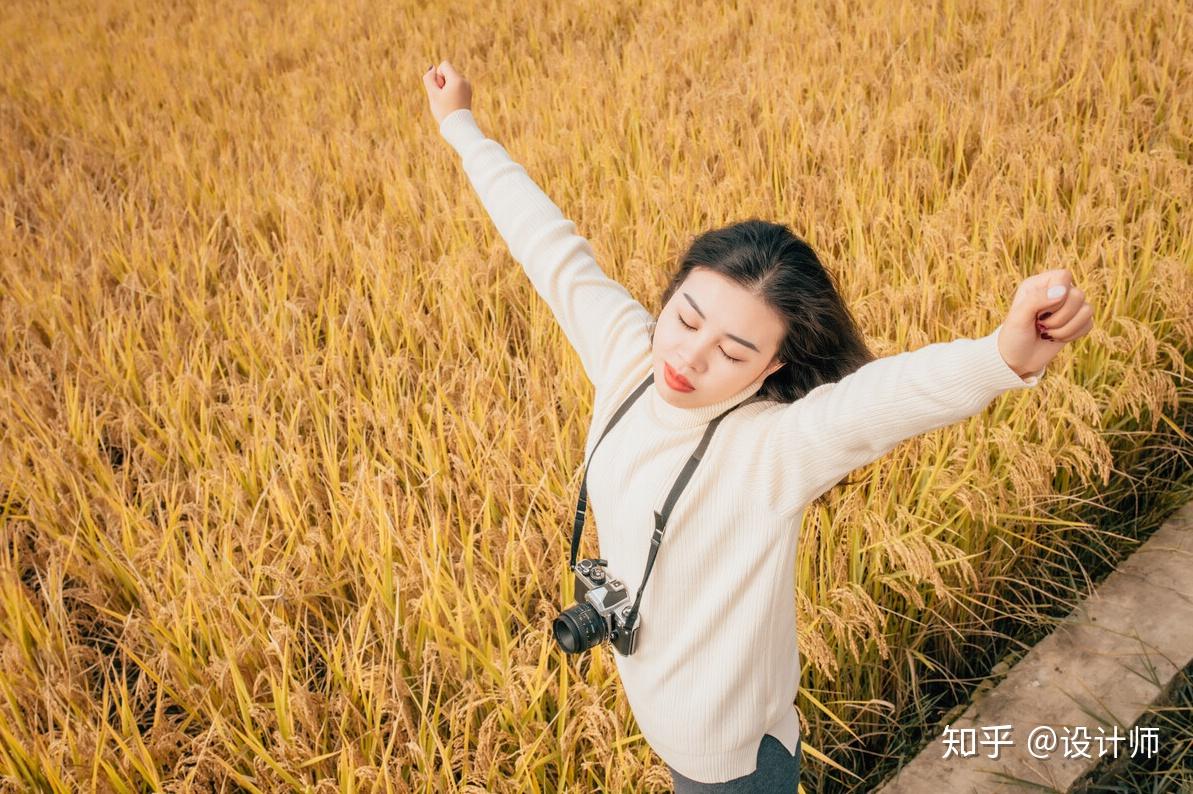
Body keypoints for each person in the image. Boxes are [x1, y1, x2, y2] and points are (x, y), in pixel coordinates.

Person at [421, 60, 1094, 792]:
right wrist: (460, 124)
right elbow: (551, 249)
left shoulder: (771, 447)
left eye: (733, 351)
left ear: (771, 370)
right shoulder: (627, 356)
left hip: (732, 764)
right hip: (663, 722)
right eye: (685, 316)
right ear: (671, 293)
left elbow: (883, 398)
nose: (687, 357)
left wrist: (1003, 355)